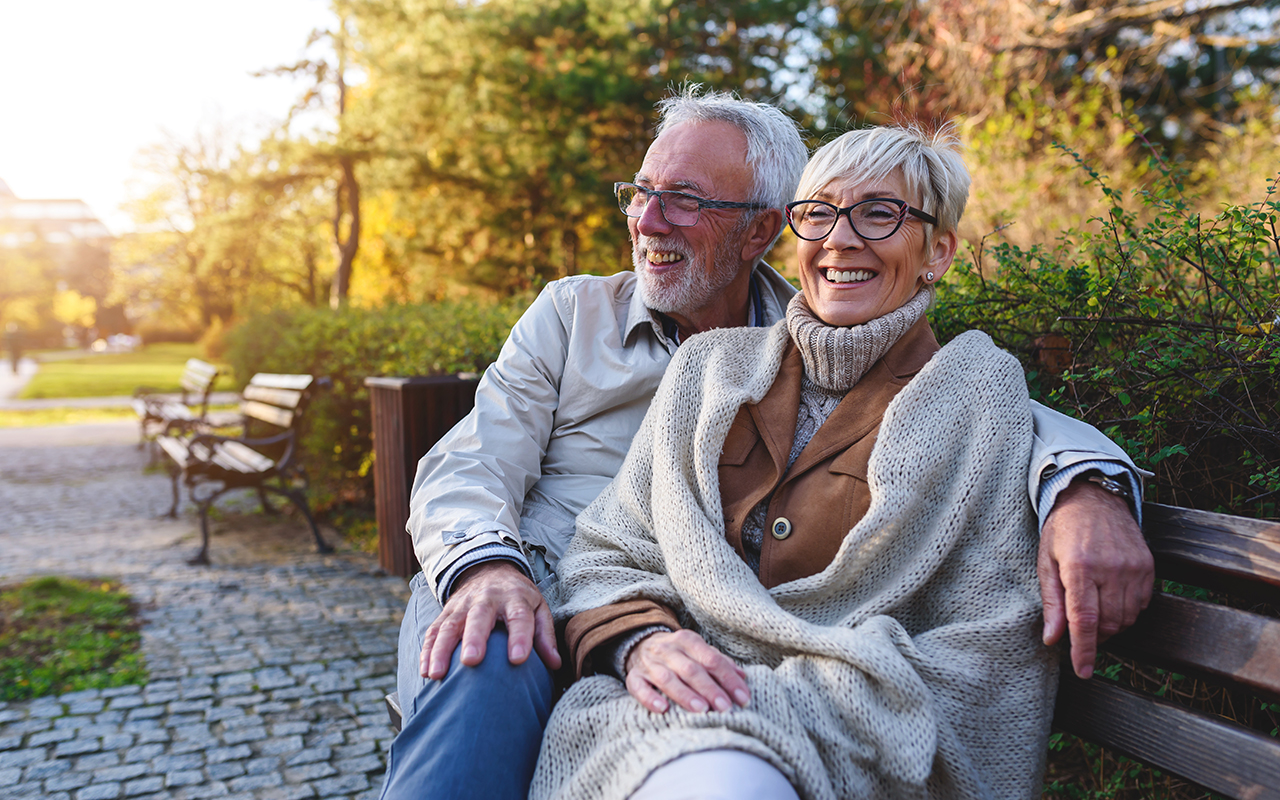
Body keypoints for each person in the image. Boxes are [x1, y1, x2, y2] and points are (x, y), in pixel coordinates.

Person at [379, 88, 1151, 800]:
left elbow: (976, 403)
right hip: (528, 583)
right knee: (485, 660)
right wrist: (487, 568)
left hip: (681, 645)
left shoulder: (805, 332)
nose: (648, 221)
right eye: (641, 193)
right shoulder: (575, 315)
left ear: (760, 230)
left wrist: (1087, 483)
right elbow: (471, 461)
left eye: (684, 199)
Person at [534, 121, 1064, 800]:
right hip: (659, 712)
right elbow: (609, 550)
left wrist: (768, 699)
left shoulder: (979, 394)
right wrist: (643, 643)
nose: (841, 238)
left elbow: (989, 634)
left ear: (938, 250)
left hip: (855, 729)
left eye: (880, 213)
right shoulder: (707, 370)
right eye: (818, 214)